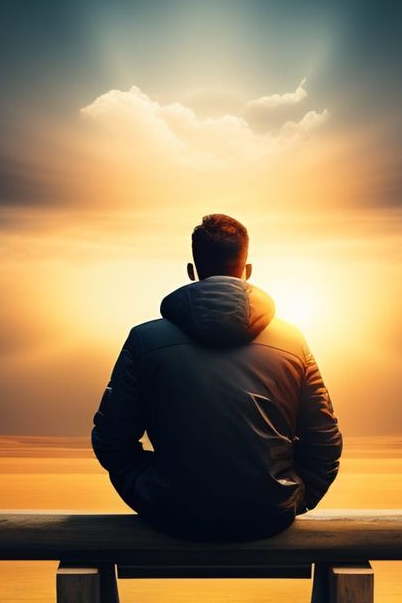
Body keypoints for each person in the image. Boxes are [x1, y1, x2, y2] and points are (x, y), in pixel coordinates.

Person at [91, 213, 342, 541]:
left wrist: (151, 492)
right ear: (247, 271)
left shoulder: (144, 341)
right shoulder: (292, 343)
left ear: (192, 272)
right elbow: (324, 441)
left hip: (172, 517)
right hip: (267, 518)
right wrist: (289, 498)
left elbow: (111, 439)